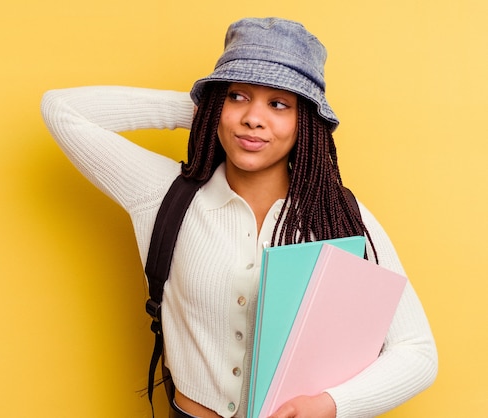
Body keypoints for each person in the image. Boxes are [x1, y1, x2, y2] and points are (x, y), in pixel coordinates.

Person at [41, 17, 437, 418]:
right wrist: (204, 108)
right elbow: (61, 109)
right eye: (237, 96)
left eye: (278, 103)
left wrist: (331, 406)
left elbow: (417, 352)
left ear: (306, 123)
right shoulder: (161, 193)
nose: (253, 118)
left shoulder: (341, 217)